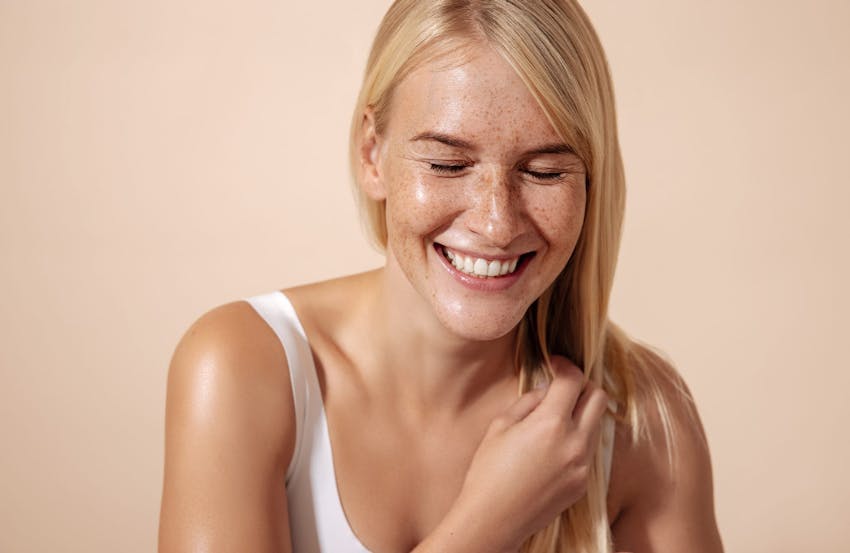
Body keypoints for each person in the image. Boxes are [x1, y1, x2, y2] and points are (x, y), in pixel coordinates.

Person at [158, 1, 724, 551]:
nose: (497, 223)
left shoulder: (642, 417)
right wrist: (490, 521)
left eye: (545, 171)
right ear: (371, 153)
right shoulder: (240, 367)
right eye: (448, 164)